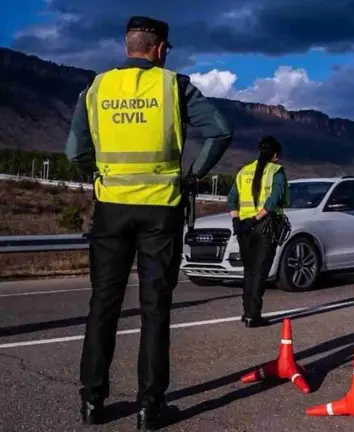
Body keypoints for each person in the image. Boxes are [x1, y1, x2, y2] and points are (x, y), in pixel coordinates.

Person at [64, 16, 233, 430]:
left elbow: (73, 152)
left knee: (103, 304)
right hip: (161, 209)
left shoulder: (96, 87)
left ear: (127, 47)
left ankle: (92, 403)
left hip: (111, 208)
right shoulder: (174, 86)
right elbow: (221, 132)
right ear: (160, 49)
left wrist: (102, 173)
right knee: (155, 309)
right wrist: (193, 174)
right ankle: (149, 407)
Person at [227, 136, 288, 328]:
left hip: (244, 227)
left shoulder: (244, 171)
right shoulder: (276, 171)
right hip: (264, 226)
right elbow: (274, 200)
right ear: (276, 155)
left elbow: (231, 198)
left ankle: (246, 313)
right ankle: (254, 315)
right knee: (260, 272)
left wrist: (237, 220)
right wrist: (256, 218)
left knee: (249, 271)